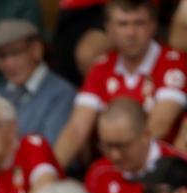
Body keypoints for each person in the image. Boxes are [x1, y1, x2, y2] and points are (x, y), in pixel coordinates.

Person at [53, 0, 187, 170]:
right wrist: (50, 172)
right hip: (114, 167)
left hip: (161, 170)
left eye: (139, 23)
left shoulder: (173, 61)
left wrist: (120, 167)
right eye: (123, 24)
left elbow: (160, 124)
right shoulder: (101, 67)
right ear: (108, 28)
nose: (131, 32)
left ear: (153, 26)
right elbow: (76, 129)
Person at [0, 20, 75, 176]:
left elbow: (49, 154)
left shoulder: (61, 93)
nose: (9, 64)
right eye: (1, 56)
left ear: (36, 50)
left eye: (15, 53)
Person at [86, 98, 180, 193]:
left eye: (122, 146)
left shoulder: (179, 169)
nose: (114, 155)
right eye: (107, 146)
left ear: (146, 135)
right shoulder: (99, 174)